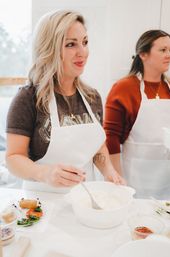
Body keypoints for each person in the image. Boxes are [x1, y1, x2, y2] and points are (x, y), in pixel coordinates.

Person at [5, 10, 125, 193]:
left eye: (85, 42)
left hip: (87, 200)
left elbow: (98, 147)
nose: (82, 52)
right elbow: (13, 158)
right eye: (71, 44)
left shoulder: (92, 97)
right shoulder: (29, 98)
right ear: (49, 49)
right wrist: (44, 173)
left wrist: (109, 172)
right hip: (41, 203)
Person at [104, 29, 170, 199]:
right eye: (163, 50)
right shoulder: (124, 88)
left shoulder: (169, 87)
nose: (168, 55)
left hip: (166, 177)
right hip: (133, 177)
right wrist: (118, 181)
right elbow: (111, 138)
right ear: (143, 54)